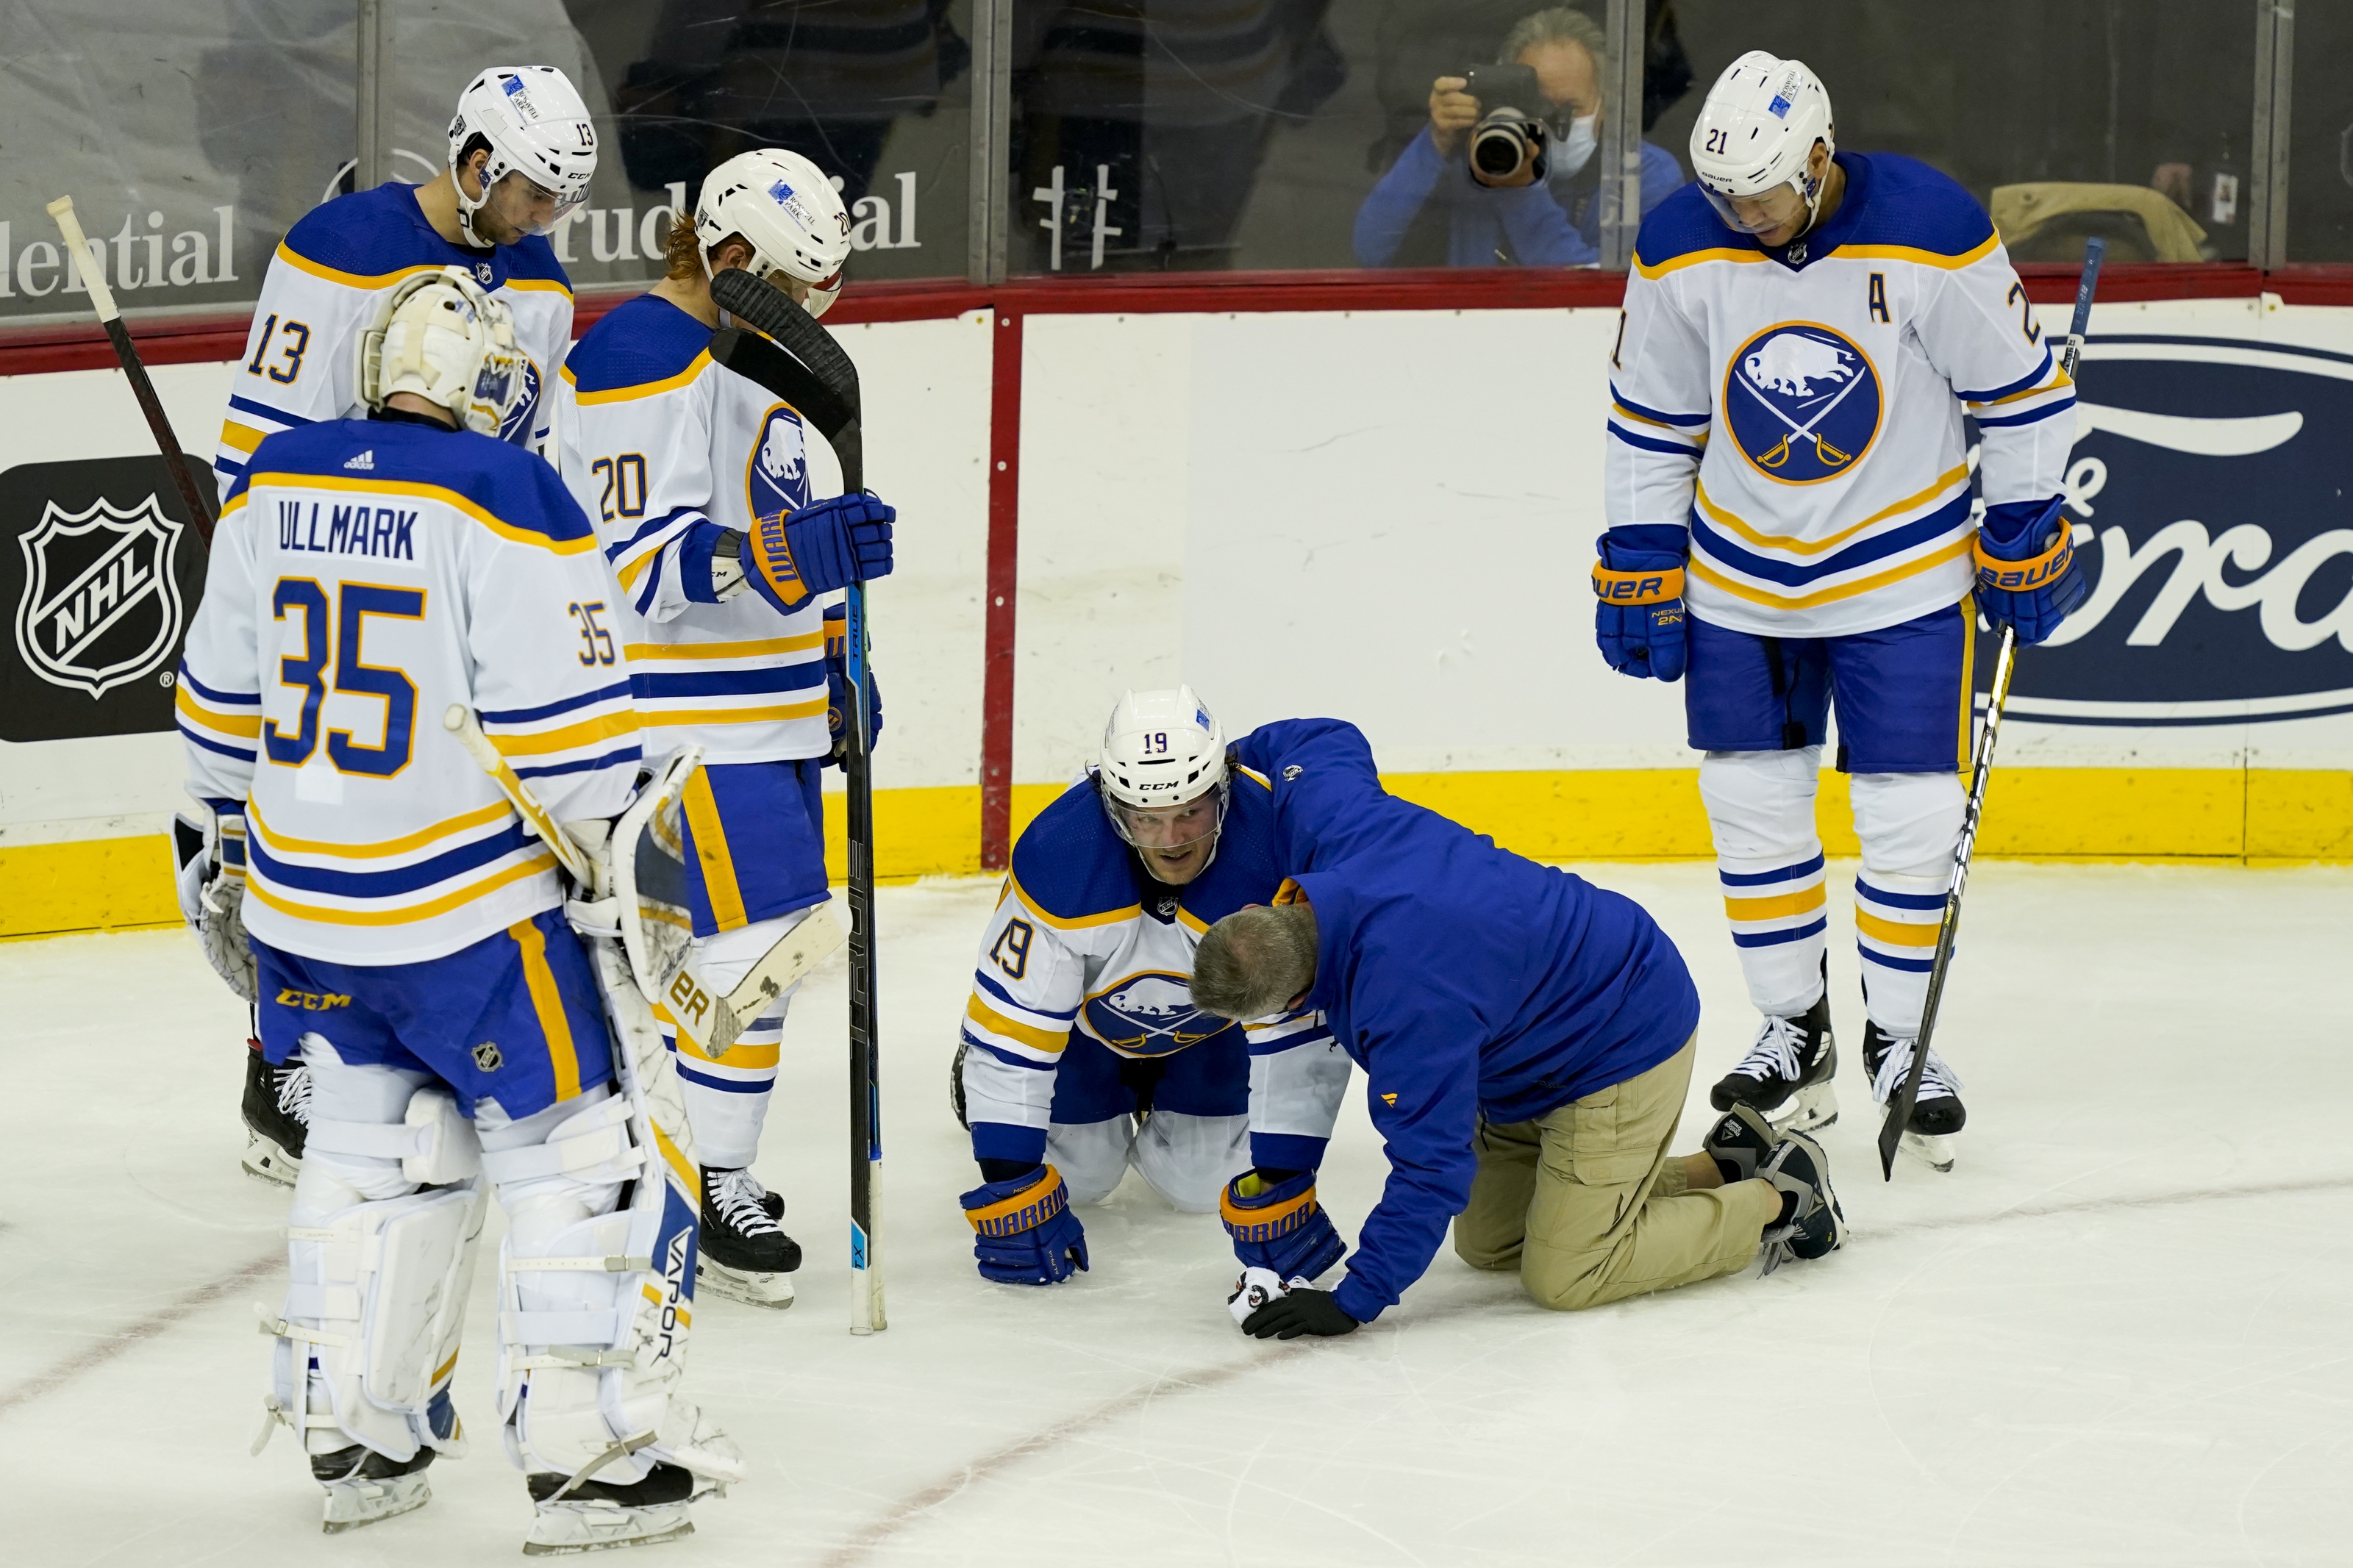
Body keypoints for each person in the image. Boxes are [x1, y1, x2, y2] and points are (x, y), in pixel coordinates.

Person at [171, 268, 743, 1547]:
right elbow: (577, 747)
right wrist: (628, 879)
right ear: (492, 385)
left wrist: (217, 857)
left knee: (372, 1153)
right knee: (576, 1154)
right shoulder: (511, 491)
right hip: (466, 918)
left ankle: (354, 1433)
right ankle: (585, 1457)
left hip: (303, 910)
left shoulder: (271, 477)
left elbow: (214, 715)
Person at [1593, 51, 2086, 1170]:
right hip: (1739, 579)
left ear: (1819, 157)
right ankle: (1794, 1028)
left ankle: (1903, 1041)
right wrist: (1638, 549)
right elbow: (1649, 413)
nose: (1745, 215)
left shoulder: (1928, 226)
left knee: (1910, 816)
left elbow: (2018, 392)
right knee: (1751, 803)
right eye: (1728, 197)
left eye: (1763, 193)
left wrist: (2021, 524)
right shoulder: (1683, 240)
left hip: (1902, 578)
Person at [207, 65, 599, 1187]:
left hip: (454, 589)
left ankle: (423, 1044)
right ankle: (279, 1052)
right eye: (530, 190)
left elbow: (529, 450)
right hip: (337, 580)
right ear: (473, 161)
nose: (544, 217)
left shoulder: (541, 281)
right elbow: (261, 440)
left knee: (446, 828)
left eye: (560, 199)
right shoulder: (339, 246)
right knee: (302, 816)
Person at [1187, 717, 1843, 1339]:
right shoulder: (1334, 825)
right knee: (1490, 1241)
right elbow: (1320, 738)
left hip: (1623, 1031)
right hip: (1532, 1046)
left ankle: (1781, 1196)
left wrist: (1353, 1301)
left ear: (1296, 993)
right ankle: (1721, 1162)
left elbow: (1430, 1171)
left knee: (1568, 1272)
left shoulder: (1406, 1007)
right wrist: (1226, 761)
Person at [557, 146, 896, 1308]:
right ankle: (696, 1177)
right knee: (733, 959)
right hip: (686, 723)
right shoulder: (638, 355)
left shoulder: (765, 358)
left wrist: (839, 662)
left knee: (762, 959)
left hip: (772, 714)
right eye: (797, 289)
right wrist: (791, 559)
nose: (812, 315)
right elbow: (634, 563)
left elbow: (801, 522)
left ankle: (705, 1170)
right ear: (733, 255)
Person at [954, 688, 1351, 1286]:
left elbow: (1299, 1032)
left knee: (1199, 1184)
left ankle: (1159, 1092)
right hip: (1084, 1034)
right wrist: (1009, 1181)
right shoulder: (1061, 855)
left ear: (1224, 790)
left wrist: (1283, 1179)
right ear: (1113, 807)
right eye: (1147, 817)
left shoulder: (1273, 848)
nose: (1171, 839)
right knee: (1080, 1180)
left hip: (1211, 1029)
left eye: (1189, 811)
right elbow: (1012, 1033)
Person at [1352, 7, 1682, 269]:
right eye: (1536, 107)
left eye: (1568, 108)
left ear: (1605, 103)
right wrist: (1435, 142)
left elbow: (1608, 294)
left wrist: (1519, 191)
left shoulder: (1642, 174)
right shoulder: (1476, 160)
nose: (1551, 126)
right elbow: (1372, 251)